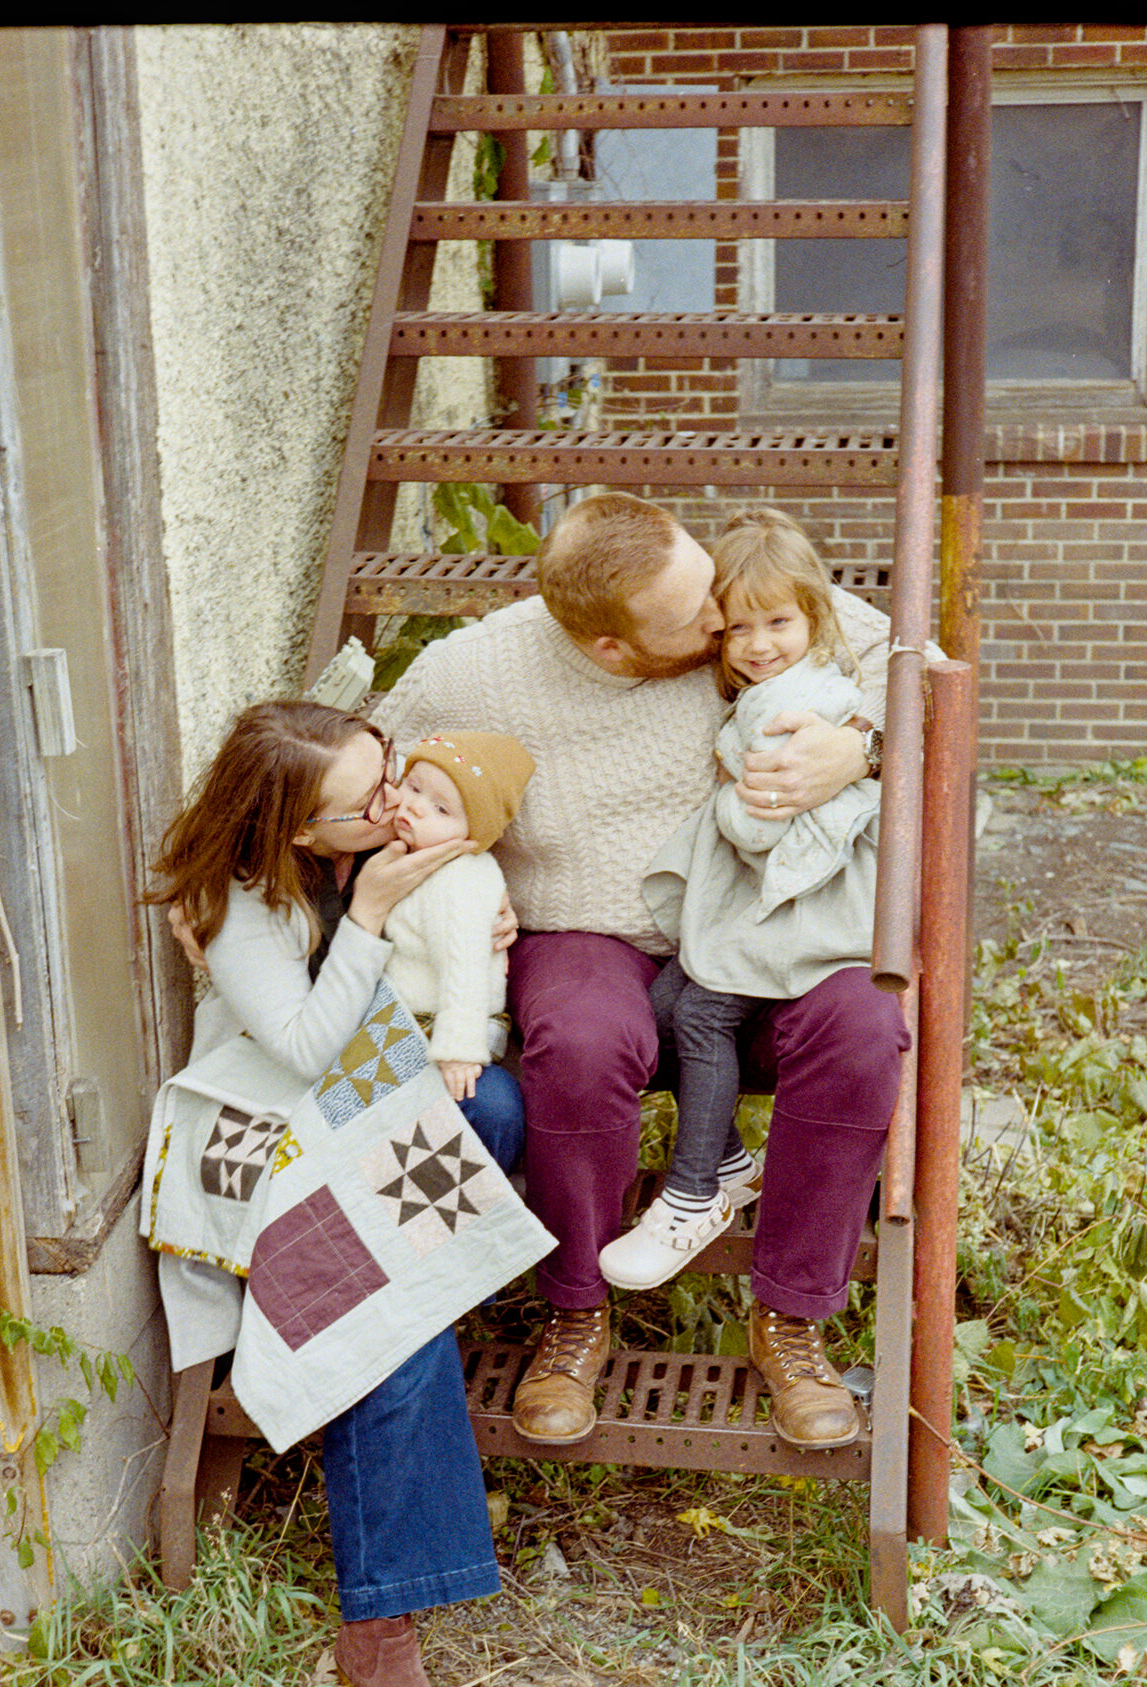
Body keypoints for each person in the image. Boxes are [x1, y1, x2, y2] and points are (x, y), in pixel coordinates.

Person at [374, 490, 920, 1453]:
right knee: (580, 1040)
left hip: (769, 924)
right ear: (612, 648)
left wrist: (861, 747)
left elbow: (918, 673)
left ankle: (790, 1313)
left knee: (866, 1027)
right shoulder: (475, 668)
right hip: (594, 930)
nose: (728, 628)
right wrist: (453, 872)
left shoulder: (741, 604)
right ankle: (577, 1307)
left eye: (715, 591)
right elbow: (373, 771)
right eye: (701, 619)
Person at [143, 700, 529, 1687]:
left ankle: (416, 1285)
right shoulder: (238, 899)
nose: (394, 799)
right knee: (390, 1298)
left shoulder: (377, 831)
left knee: (491, 1112)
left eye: (391, 768)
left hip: (367, 1105)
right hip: (258, 1123)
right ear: (308, 835)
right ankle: (382, 1632)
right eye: (370, 800)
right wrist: (369, 915)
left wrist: (462, 903)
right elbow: (309, 1049)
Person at [598, 508, 885, 1337]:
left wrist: (728, 790)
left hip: (803, 911)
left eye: (780, 622)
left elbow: (759, 825)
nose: (759, 644)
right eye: (741, 628)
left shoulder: (793, 705)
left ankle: (694, 1192)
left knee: (700, 1013)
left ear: (817, 620)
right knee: (657, 1010)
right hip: (764, 908)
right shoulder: (781, 690)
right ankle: (727, 1161)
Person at [381, 730, 536, 1104]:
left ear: (473, 834)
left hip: (437, 1030)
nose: (416, 807)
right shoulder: (411, 854)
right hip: (405, 1023)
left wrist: (458, 1049)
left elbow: (463, 964)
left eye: (442, 809)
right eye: (414, 788)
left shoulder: (460, 878)